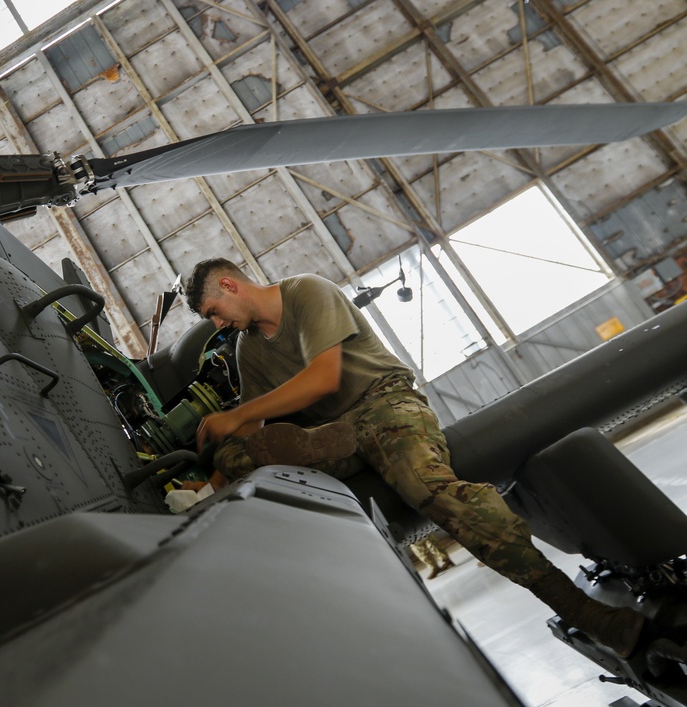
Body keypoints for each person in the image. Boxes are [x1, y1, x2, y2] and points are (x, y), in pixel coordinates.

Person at [181, 257, 645, 658]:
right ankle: (327, 444)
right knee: (239, 451)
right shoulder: (249, 349)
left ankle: (580, 609)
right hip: (332, 433)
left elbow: (324, 379)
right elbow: (251, 430)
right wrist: (211, 485)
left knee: (429, 489)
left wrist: (238, 415)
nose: (218, 324)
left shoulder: (307, 291)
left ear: (229, 285)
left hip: (383, 404)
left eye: (214, 313)